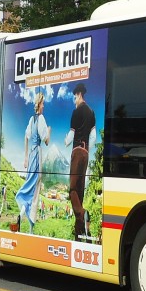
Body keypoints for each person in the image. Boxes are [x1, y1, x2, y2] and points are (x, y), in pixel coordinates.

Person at [15, 91, 49, 232]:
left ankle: (22, 215)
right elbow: (46, 141)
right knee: (35, 190)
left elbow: (26, 137)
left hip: (31, 154)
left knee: (30, 186)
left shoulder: (31, 119)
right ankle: (30, 228)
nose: (44, 106)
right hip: (38, 153)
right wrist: (49, 131)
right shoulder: (41, 119)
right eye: (43, 104)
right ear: (40, 104)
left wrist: (25, 157)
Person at [66, 83, 96, 240]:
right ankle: (79, 233)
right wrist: (87, 151)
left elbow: (70, 137)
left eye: (74, 97)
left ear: (78, 94)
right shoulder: (91, 112)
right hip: (86, 153)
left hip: (77, 151)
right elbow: (94, 138)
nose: (73, 100)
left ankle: (83, 214)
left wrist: (66, 141)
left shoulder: (76, 112)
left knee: (72, 189)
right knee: (80, 193)